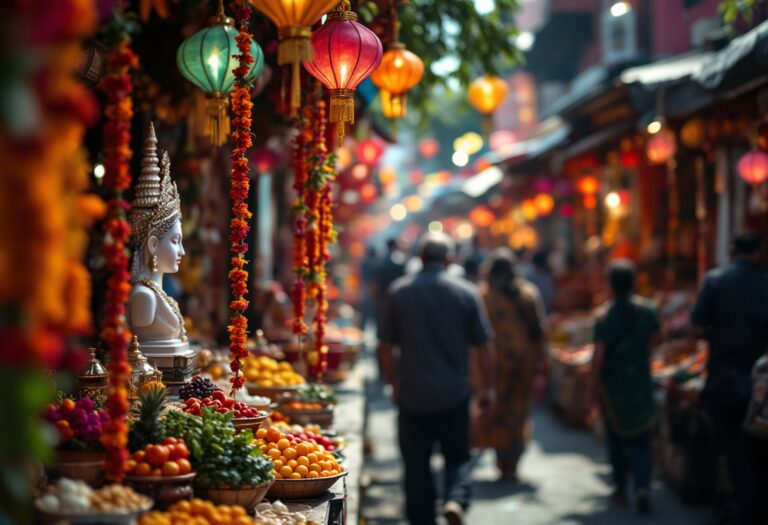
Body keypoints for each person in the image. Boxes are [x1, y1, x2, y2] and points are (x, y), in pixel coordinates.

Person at [377, 232, 496, 525]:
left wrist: (393, 382)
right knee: (457, 456)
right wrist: (488, 388)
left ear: (420, 258)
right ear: (449, 259)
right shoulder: (467, 292)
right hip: (454, 393)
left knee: (417, 466)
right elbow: (484, 346)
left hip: (413, 393)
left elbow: (384, 346)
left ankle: (423, 519)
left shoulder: (400, 291)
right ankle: (455, 498)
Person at [691, 232, 768, 525]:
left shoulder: (715, 281)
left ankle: (740, 504)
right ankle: (749, 502)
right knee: (753, 445)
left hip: (723, 377)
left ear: (732, 250)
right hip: (759, 380)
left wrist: (718, 334)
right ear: (759, 252)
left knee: (731, 444)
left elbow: (696, 328)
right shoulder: (764, 284)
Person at [591, 259, 660, 515]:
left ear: (610, 284)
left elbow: (597, 358)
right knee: (642, 439)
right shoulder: (648, 310)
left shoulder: (604, 316)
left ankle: (621, 487)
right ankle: (642, 486)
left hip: (614, 387)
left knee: (616, 440)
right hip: (640, 382)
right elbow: (656, 340)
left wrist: (591, 389)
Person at [474, 248, 548, 481]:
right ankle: (513, 458)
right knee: (518, 411)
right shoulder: (527, 293)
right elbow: (539, 331)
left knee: (497, 412)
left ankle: (502, 459)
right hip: (523, 363)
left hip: (493, 364)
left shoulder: (483, 296)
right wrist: (541, 362)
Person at [360, 246, 380, 331]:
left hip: (366, 290)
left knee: (366, 313)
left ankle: (363, 329)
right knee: (374, 314)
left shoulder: (365, 263)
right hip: (372, 291)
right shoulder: (376, 263)